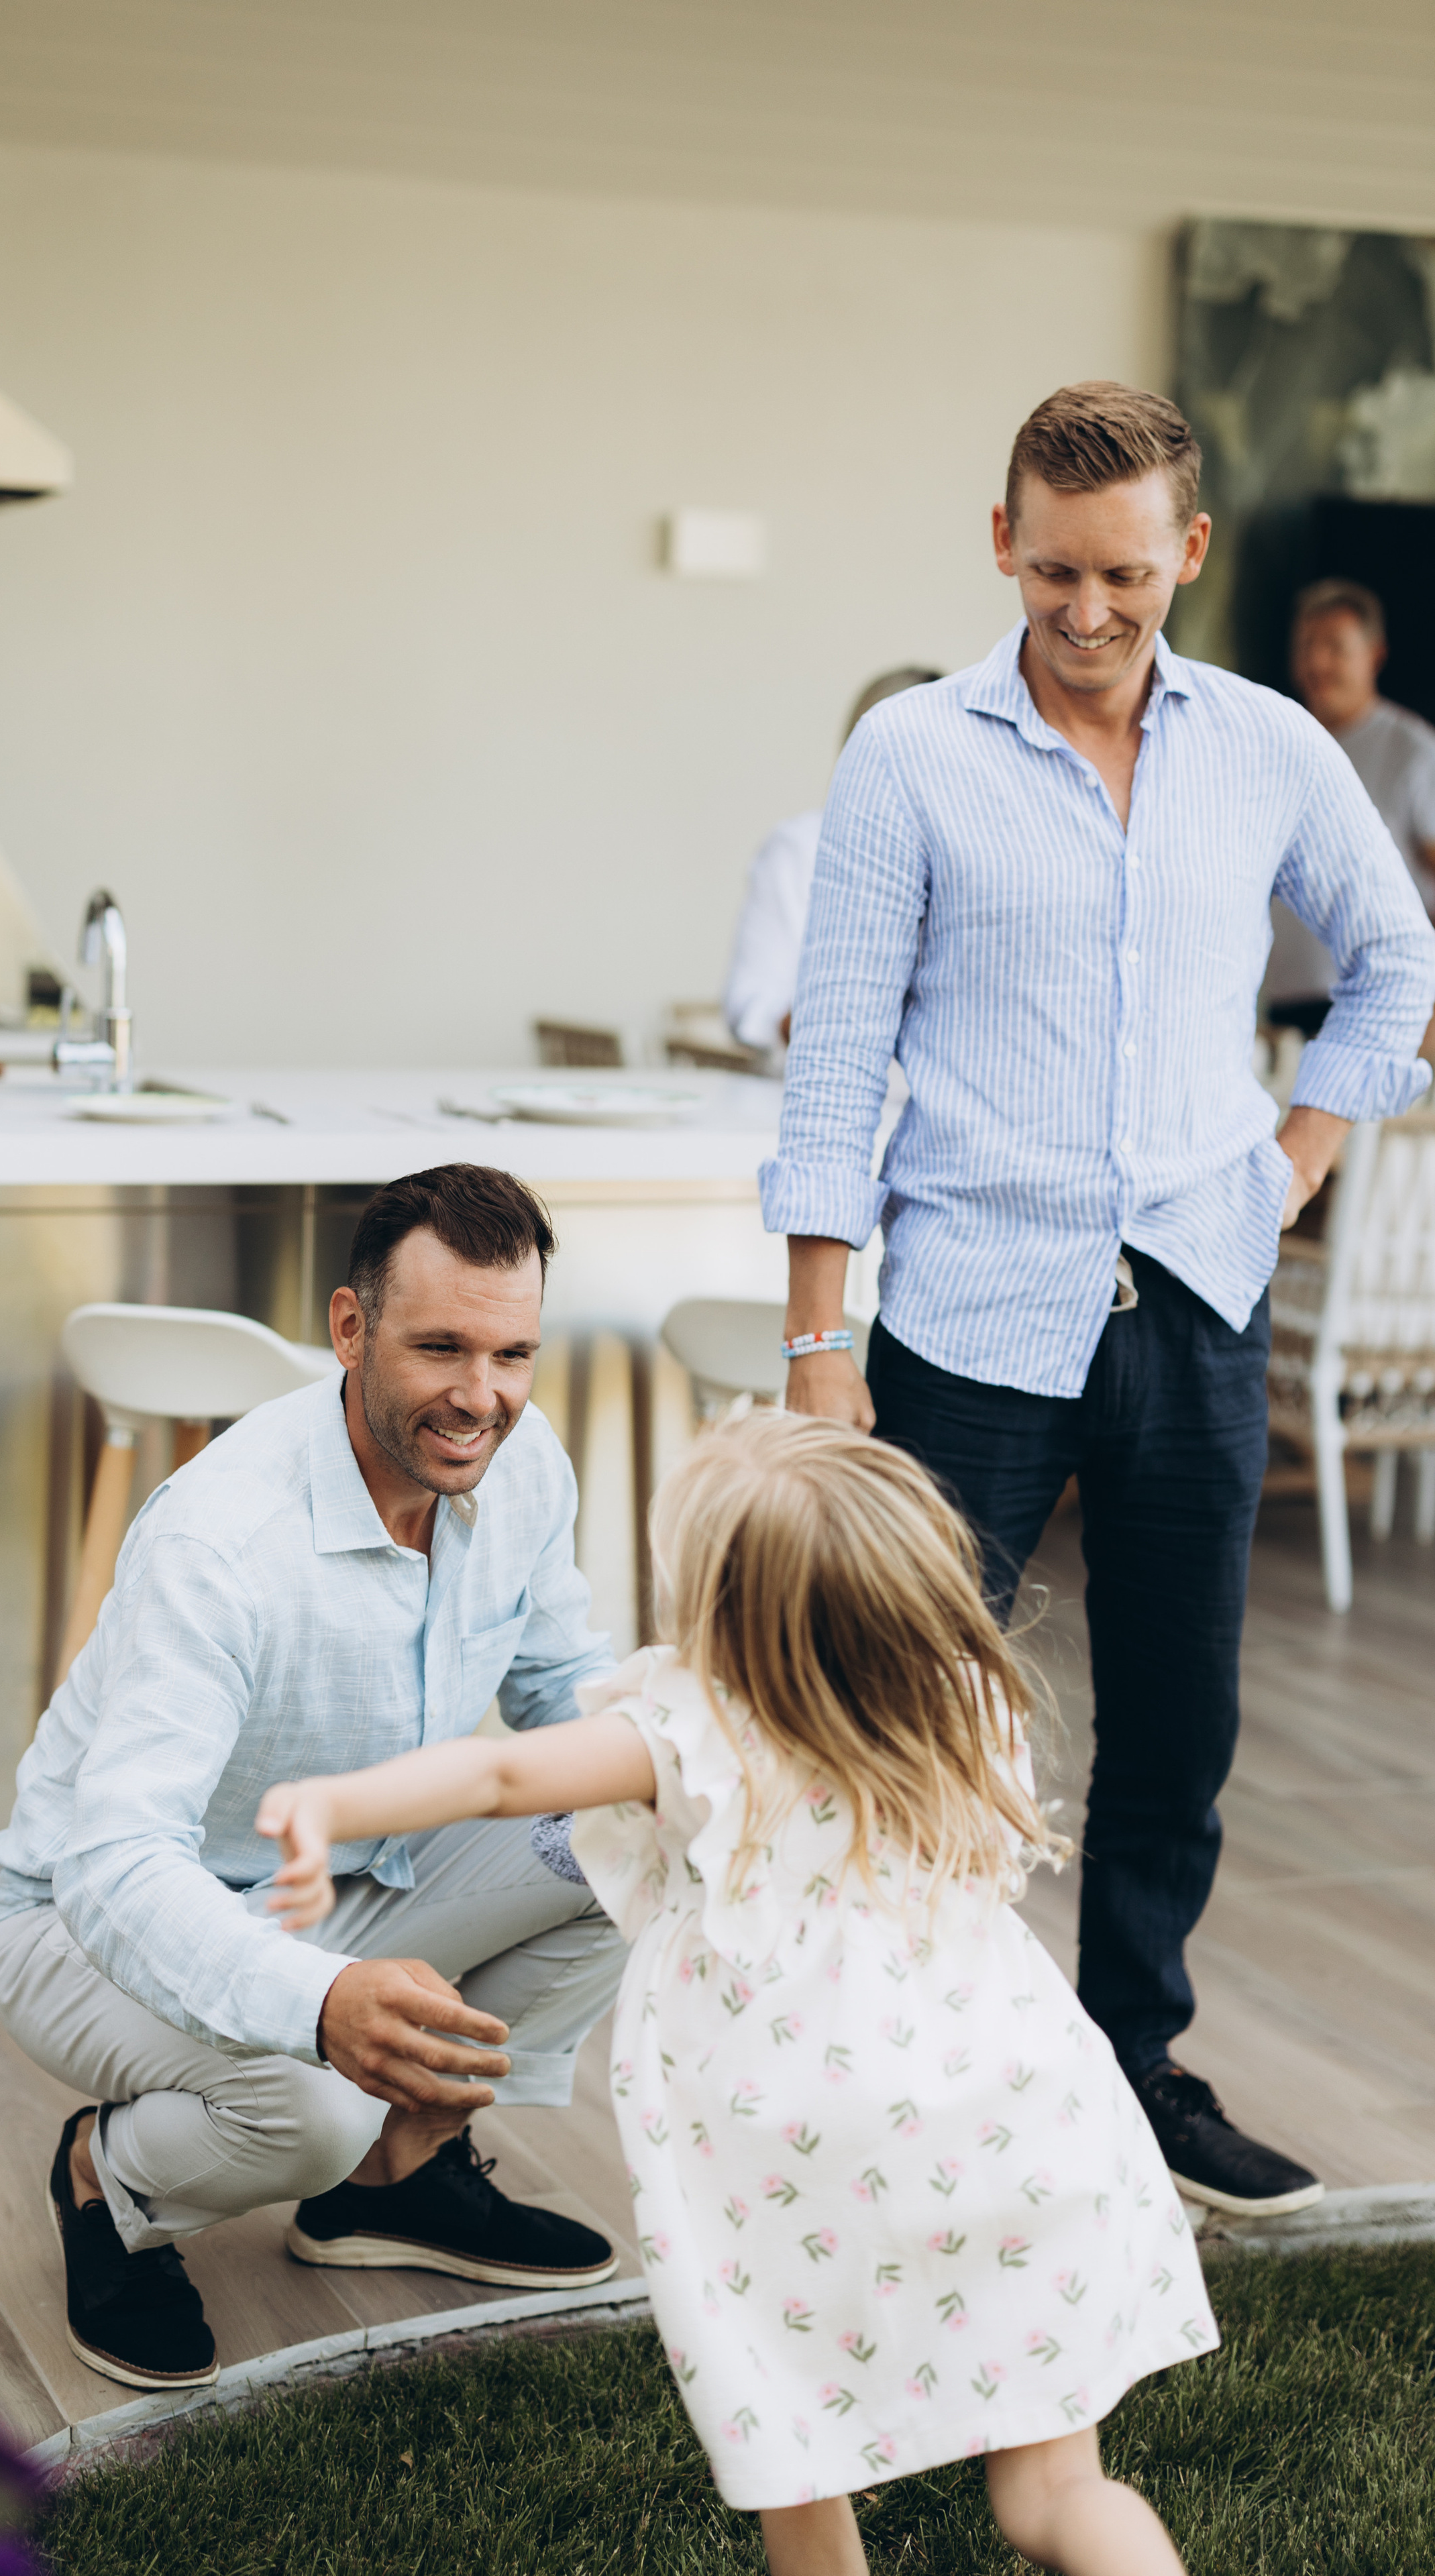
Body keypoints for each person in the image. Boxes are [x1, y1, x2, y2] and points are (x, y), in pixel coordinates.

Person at [761, 382, 1435, 2223]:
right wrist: (822, 1349)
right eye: (1054, 570)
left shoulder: (1273, 748)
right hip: (966, 1318)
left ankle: (1133, 2067)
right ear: (1002, 543)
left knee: (1176, 1726)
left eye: (1125, 575)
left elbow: (1398, 965)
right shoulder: (910, 755)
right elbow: (838, 1067)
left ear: (1187, 556)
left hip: (1199, 1312)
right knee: (897, 1715)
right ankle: (891, 2089)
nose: (1086, 610)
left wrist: (1289, 1166)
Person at [260, 1411, 1208, 2576]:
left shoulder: (702, 1725)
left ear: (723, 1607)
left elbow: (504, 1770)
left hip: (800, 2142)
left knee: (803, 2445)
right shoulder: (964, 1701)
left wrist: (331, 1806)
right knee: (1059, 2490)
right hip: (1014, 2113)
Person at [0, 1163, 626, 2393]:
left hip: (354, 1874)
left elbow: (563, 1695)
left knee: (651, 1828)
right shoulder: (222, 1537)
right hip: (87, 1918)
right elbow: (116, 1864)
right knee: (319, 2104)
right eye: (440, 1347)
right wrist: (317, 2004)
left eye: (512, 1355)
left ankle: (398, 2180)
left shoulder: (523, 1461)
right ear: (349, 1327)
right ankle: (106, 2184)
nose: (480, 1398)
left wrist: (720, 1781)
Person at [724, 669, 941, 1061]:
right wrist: (839, 1017)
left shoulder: (984, 857)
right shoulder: (800, 849)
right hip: (813, 1092)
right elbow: (752, 1007)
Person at [1264, 578, 1435, 1033]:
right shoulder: (1280, 746)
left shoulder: (1413, 750)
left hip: (1380, 1008)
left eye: (1335, 647)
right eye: (1306, 646)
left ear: (1374, 655)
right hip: (1284, 1006)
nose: (1317, 662)